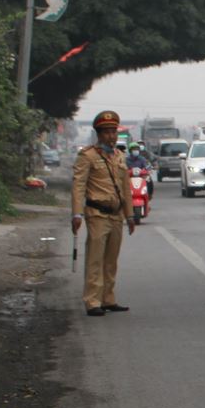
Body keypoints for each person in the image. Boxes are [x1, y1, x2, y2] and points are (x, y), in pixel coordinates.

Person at [72, 111, 137, 317]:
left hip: (116, 215)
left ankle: (108, 298)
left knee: (111, 260)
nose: (112, 136)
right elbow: (78, 186)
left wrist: (130, 215)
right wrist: (76, 214)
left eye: (114, 131)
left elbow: (125, 187)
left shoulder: (119, 156)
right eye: (107, 132)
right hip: (97, 213)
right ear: (99, 133)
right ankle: (92, 301)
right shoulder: (88, 155)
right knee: (95, 258)